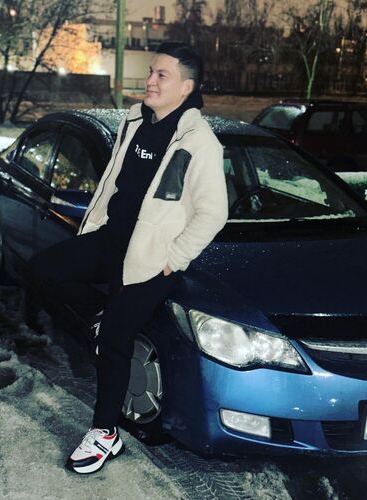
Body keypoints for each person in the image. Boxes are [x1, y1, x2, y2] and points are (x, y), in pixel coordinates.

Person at [27, 42, 228, 475]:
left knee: (115, 342)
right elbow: (115, 181)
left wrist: (173, 259)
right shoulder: (134, 122)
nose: (150, 81)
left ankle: (105, 433)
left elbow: (213, 213)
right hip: (111, 239)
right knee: (43, 270)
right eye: (151, 71)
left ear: (186, 88)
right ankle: (101, 317)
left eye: (162, 75)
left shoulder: (200, 143)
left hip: (152, 259)